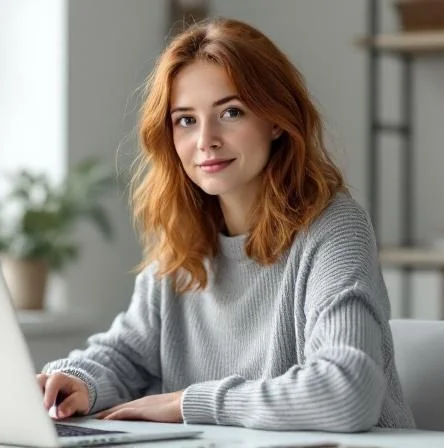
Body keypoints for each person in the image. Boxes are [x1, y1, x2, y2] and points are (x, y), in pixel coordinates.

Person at [37, 17, 416, 433]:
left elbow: (346, 392)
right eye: (186, 120)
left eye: (231, 112)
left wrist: (187, 402)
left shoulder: (333, 228)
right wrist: (76, 380)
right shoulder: (183, 237)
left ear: (277, 119)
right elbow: (127, 355)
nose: (206, 140)